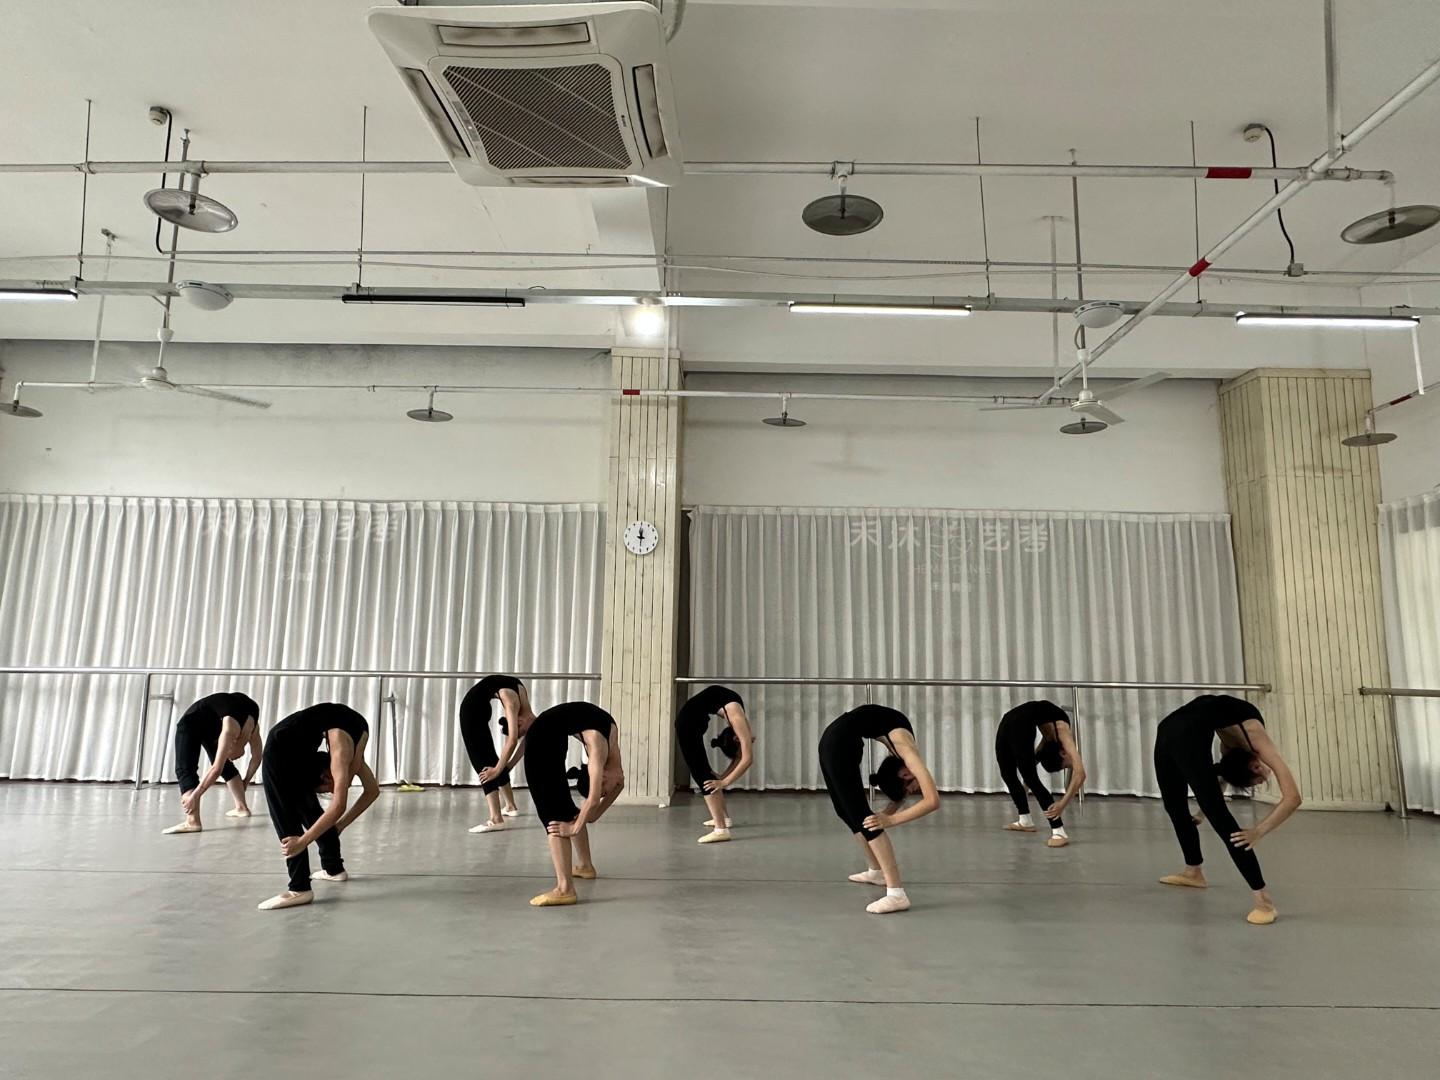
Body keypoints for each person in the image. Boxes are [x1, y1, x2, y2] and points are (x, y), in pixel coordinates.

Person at [1153, 694, 1301, 925]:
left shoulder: (1237, 748)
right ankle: (1193, 872)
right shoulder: (1258, 742)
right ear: (1254, 766)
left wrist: (1257, 831)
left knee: (1220, 818)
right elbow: (1293, 798)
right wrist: (1206, 812)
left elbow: (1291, 798)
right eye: (1260, 779)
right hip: (1173, 727)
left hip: (1181, 727)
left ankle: (1264, 901)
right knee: (1174, 805)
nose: (1266, 776)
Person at [818, 704, 940, 915]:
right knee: (846, 811)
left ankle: (896, 894)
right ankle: (876, 871)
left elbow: (931, 801)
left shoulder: (905, 756)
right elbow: (932, 800)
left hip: (838, 740)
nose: (914, 789)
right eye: (911, 787)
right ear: (905, 775)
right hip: (836, 741)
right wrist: (887, 818)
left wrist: (889, 818)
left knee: (862, 817)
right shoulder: (906, 752)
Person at [258, 702, 380, 912]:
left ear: (326, 775)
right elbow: (369, 792)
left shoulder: (341, 757)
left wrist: (303, 841)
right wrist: (335, 826)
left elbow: (351, 801)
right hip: (283, 742)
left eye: (325, 790)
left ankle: (299, 888)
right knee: (295, 803)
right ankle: (333, 869)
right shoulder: (350, 758)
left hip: (295, 742)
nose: (330, 793)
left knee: (288, 808)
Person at [522, 701, 625, 907]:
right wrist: (577, 824)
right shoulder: (599, 751)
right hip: (539, 737)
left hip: (555, 735)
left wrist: (584, 821)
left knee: (555, 812)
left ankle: (565, 889)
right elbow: (594, 799)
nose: (606, 793)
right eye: (605, 791)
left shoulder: (609, 765)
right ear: (601, 777)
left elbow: (616, 787)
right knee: (555, 809)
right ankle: (582, 868)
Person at [162, 691, 262, 834]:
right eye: (230, 754)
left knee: (223, 764)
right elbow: (216, 769)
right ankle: (192, 821)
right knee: (185, 769)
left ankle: (241, 808)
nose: (230, 758)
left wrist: (246, 782)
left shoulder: (253, 729)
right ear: (233, 741)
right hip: (191, 722)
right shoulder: (230, 731)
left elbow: (257, 758)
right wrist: (194, 796)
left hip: (215, 721)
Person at [995, 699, 1086, 848]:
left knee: (1030, 777)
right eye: (1067, 764)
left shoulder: (1054, 738)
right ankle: (1025, 820)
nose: (1071, 764)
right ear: (1063, 753)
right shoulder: (1063, 734)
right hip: (1010, 719)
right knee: (1007, 772)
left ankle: (1059, 831)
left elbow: (1035, 758)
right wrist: (1061, 804)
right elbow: (1081, 774)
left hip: (1019, 720)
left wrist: (1061, 804)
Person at [675, 684, 756, 843]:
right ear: (736, 739)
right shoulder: (738, 721)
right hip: (688, 722)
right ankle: (723, 819)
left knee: (701, 773)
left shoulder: (739, 722)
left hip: (691, 722)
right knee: (704, 771)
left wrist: (724, 780)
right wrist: (723, 780)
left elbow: (745, 758)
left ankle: (721, 829)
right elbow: (744, 757)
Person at [459, 675, 526, 832]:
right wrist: (501, 767)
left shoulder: (516, 700)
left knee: (483, 763)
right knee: (492, 761)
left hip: (476, 709)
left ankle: (496, 818)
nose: (519, 734)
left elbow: (514, 741)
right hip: (471, 710)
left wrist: (502, 767)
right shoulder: (516, 703)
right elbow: (512, 741)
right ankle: (510, 806)